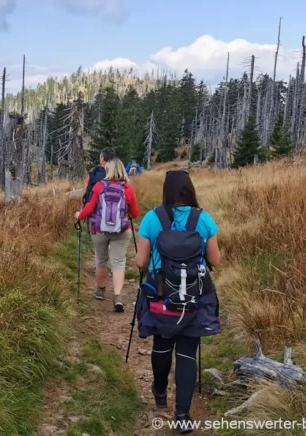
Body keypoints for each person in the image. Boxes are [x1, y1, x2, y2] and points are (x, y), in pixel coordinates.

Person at [134, 170, 221, 434]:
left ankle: (160, 392)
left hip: (162, 295)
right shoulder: (203, 219)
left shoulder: (152, 218)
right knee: (186, 352)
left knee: (161, 344)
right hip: (194, 297)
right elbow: (215, 261)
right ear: (190, 190)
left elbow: (140, 262)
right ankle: (183, 415)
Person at [76, 157, 139, 312]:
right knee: (118, 262)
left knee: (101, 260)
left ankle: (100, 290)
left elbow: (89, 209)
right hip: (122, 230)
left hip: (99, 230)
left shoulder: (99, 186)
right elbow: (135, 213)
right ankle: (117, 296)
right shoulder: (127, 189)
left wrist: (79, 215)